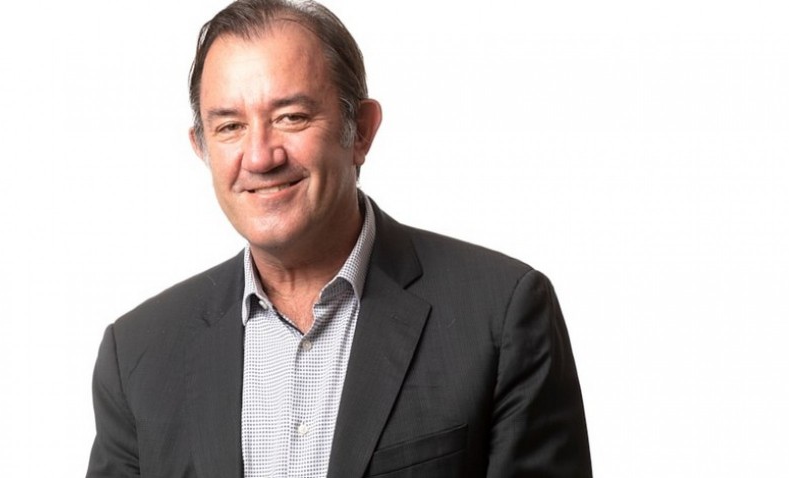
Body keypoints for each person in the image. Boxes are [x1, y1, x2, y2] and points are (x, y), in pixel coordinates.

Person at [86, 0, 591, 476]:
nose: (260, 156)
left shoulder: (499, 315)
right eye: (230, 126)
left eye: (291, 117)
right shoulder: (137, 355)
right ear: (201, 148)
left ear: (361, 131)